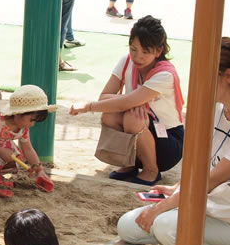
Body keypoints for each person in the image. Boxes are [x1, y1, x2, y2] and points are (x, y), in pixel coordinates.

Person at [117, 38, 230, 245]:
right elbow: (203, 167)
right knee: (127, 226)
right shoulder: (217, 108)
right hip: (212, 202)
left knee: (165, 227)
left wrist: (160, 208)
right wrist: (175, 189)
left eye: (207, 75)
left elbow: (212, 180)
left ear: (227, 76)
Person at [70, 16, 184, 186]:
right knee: (110, 115)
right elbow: (105, 97)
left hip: (168, 141)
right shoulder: (126, 61)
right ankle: (129, 164)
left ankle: (152, 170)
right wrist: (133, 101)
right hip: (141, 133)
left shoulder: (165, 74)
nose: (138, 57)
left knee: (132, 117)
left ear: (158, 51)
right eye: (134, 49)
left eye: (146, 52)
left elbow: (120, 102)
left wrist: (88, 106)